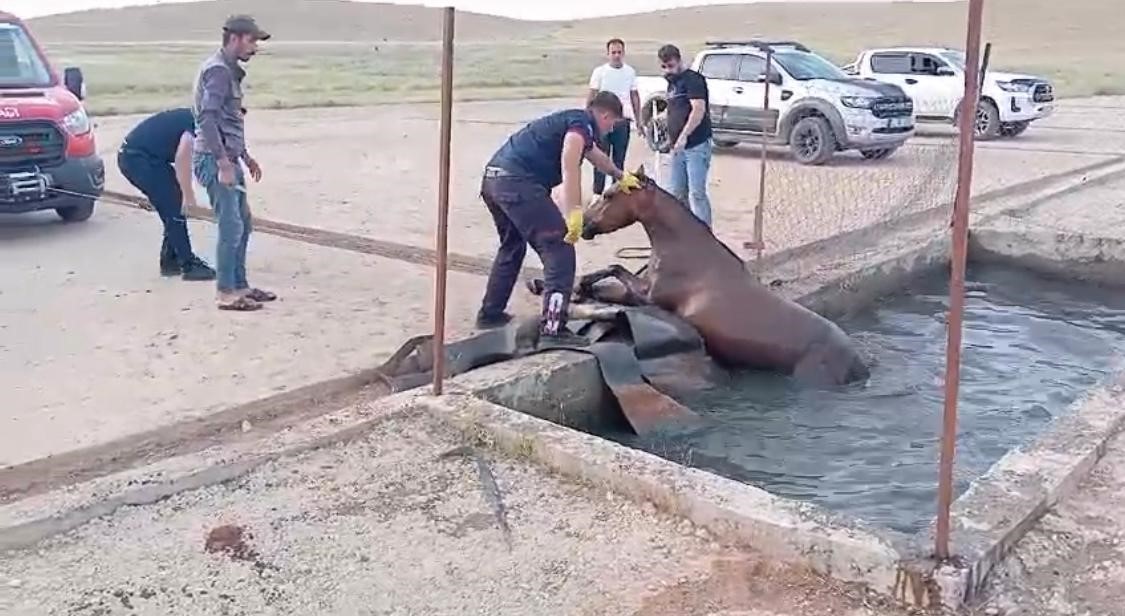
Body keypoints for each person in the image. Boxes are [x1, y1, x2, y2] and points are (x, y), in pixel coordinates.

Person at [476, 91, 641, 343]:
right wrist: (574, 211)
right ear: (605, 115)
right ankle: (553, 329)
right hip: (517, 183)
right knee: (560, 251)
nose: (610, 129)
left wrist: (620, 176)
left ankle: (490, 314)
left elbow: (595, 156)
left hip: (494, 180)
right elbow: (569, 162)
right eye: (612, 123)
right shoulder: (581, 125)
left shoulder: (575, 122)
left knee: (512, 246)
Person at [191, 14, 273, 312]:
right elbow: (208, 119)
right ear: (235, 38)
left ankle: (240, 286)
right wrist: (224, 164)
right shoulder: (219, 72)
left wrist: (244, 156)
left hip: (226, 157)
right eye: (252, 41)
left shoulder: (227, 70)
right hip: (215, 160)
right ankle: (226, 292)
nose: (254, 48)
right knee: (231, 226)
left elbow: (228, 121)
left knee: (243, 223)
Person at [117, 107, 216, 281]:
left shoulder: (200, 117)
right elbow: (182, 158)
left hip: (142, 156)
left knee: (172, 202)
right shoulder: (201, 124)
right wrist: (189, 196)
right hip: (137, 158)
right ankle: (188, 264)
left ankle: (170, 259)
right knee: (172, 205)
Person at [658, 44, 714, 228]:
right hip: (677, 147)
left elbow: (698, 110)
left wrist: (684, 135)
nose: (668, 70)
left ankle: (705, 236)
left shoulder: (693, 80)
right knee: (677, 193)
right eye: (664, 67)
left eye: (671, 66)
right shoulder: (672, 84)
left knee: (696, 193)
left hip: (695, 145)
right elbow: (676, 109)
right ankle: (685, 232)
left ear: (679, 60)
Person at [587, 38, 642, 196]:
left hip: (621, 122)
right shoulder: (600, 72)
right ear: (608, 54)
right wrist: (589, 121)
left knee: (619, 160)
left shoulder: (630, 72)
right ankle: (597, 194)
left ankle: (616, 193)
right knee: (600, 158)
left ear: (623, 53)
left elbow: (634, 97)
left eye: (619, 52)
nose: (616, 55)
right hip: (601, 122)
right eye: (613, 52)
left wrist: (639, 121)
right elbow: (591, 97)